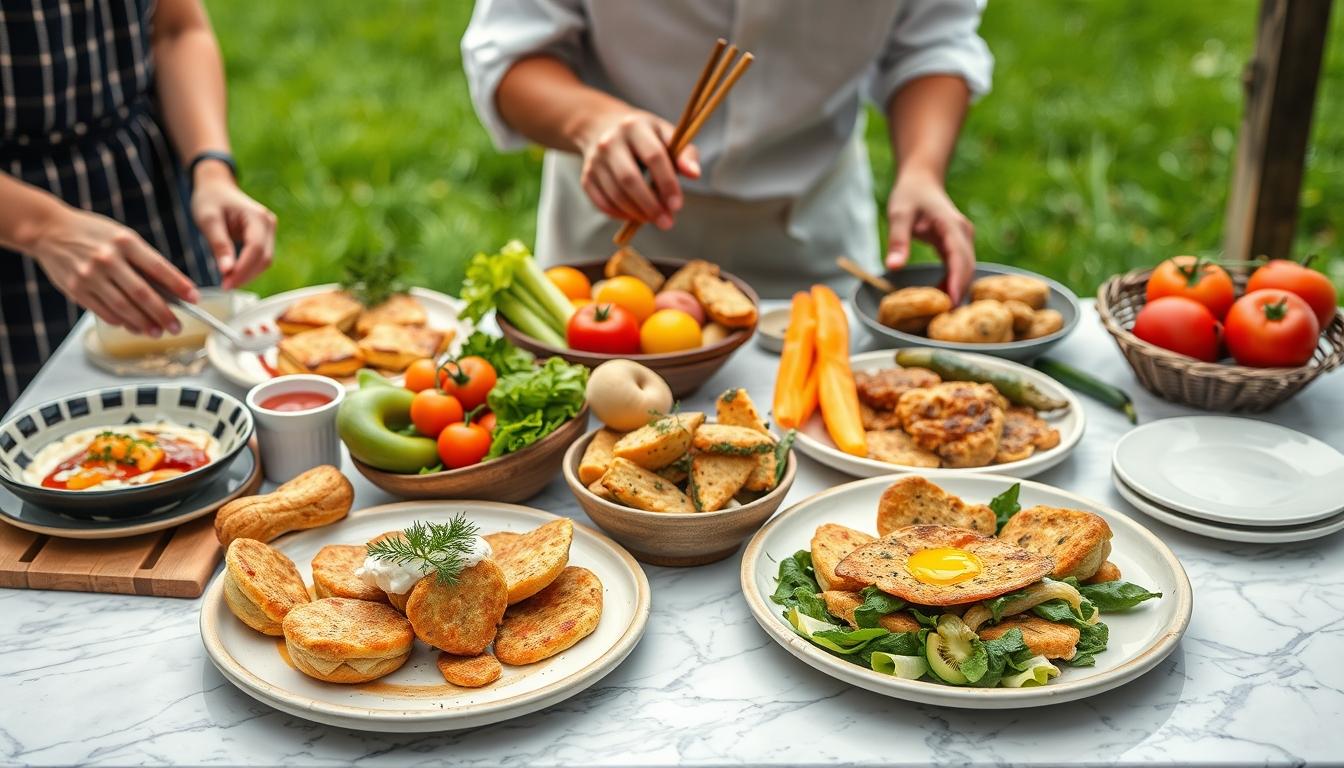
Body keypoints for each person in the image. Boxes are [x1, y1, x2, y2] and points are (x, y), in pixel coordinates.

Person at [462, 0, 991, 299]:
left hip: (813, 245)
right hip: (612, 245)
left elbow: (931, 41)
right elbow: (510, 51)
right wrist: (592, 121)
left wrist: (922, 170)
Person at [0, 0, 276, 412]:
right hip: (12, 238)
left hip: (143, 183)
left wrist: (211, 167)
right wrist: (42, 227)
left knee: (199, 414)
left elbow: (176, 29)